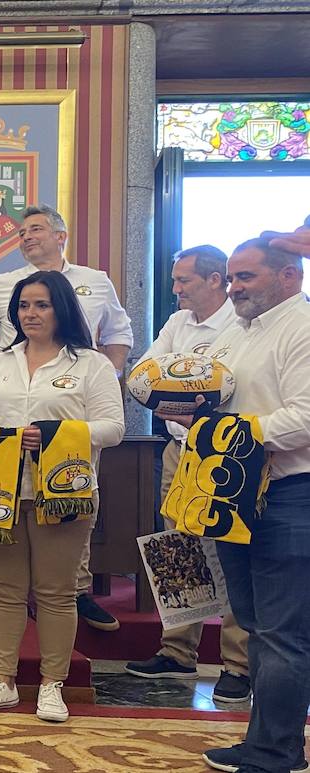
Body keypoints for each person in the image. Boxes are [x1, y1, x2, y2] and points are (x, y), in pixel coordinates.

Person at [0, 204, 133, 632]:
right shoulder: (4, 283)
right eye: (21, 232)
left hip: (69, 407)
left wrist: (102, 375)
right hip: (11, 407)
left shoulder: (95, 281)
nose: (26, 237)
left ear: (60, 235)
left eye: (35, 230)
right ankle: (23, 599)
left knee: (72, 496)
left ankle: (73, 590)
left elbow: (120, 334)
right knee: (9, 527)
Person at [0, 270, 124, 724]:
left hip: (63, 492)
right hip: (0, 490)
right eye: (24, 306)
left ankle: (52, 685)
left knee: (56, 593)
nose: (31, 313)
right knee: (4, 591)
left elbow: (113, 428)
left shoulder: (90, 364)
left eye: (41, 305)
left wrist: (53, 436)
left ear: (62, 308)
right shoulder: (1, 362)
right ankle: (2, 680)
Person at [177, 237, 310, 773]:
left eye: (246, 277)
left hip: (289, 494)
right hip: (237, 495)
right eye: (231, 278)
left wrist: (232, 436)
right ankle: (266, 740)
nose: (234, 289)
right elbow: (217, 403)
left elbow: (304, 417)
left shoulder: (301, 327)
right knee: (257, 624)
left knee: (281, 631)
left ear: (288, 276)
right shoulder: (242, 335)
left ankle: (278, 751)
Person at [122, 245, 248, 703]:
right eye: (174, 280)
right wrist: (185, 395)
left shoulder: (243, 324)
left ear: (216, 280)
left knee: (233, 551)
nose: (174, 289)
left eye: (184, 281)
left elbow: (230, 387)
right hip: (181, 448)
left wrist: (187, 389)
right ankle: (177, 651)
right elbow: (146, 377)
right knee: (178, 547)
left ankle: (238, 663)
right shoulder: (177, 324)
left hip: (231, 454)